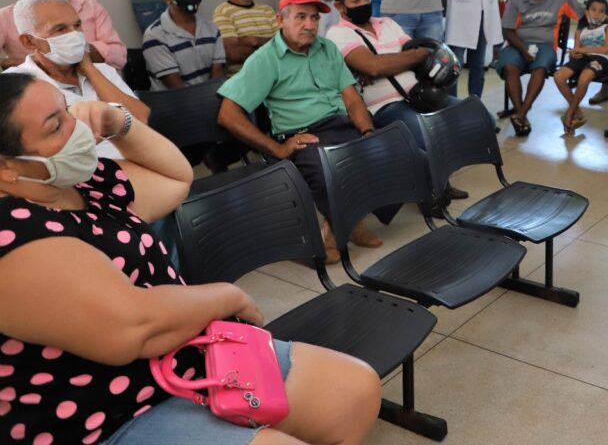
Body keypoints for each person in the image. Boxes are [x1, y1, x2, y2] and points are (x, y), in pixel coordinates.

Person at [0, 75, 381, 445]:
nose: (77, 129)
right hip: (108, 411)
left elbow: (176, 178)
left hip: (188, 351)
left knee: (353, 393)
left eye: (68, 111)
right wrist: (227, 297)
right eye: (56, 127)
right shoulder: (13, 231)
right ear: (6, 166)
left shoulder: (82, 184)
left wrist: (119, 122)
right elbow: (132, 329)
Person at [217, 0, 382, 254]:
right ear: (280, 20)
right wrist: (277, 148)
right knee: (330, 169)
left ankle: (349, 222)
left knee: (384, 150)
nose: (310, 25)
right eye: (301, 17)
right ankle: (341, 228)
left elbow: (352, 99)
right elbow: (227, 114)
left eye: (315, 18)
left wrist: (367, 133)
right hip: (305, 133)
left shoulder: (327, 48)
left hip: (341, 124)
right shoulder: (266, 59)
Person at [326, 0, 468, 201]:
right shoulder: (337, 34)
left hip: (420, 94)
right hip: (385, 106)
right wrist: (402, 59)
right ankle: (433, 193)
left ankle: (439, 175)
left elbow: (417, 53)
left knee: (473, 117)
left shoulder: (388, 24)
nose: (364, 3)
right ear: (339, 6)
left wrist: (398, 60)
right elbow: (374, 67)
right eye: (356, 0)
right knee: (427, 135)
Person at [4, 0, 150, 159]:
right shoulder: (15, 85)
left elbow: (140, 121)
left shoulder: (102, 71)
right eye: (60, 29)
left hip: (136, 164)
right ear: (29, 41)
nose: (74, 35)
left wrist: (90, 71)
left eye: (77, 25)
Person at [498, 0, 584, 136]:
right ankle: (521, 113)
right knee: (509, 67)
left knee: (540, 68)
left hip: (546, 46)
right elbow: (507, 31)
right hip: (517, 43)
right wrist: (523, 49)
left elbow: (585, 14)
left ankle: (521, 114)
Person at [142, 0, 225, 90]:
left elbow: (217, 74)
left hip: (210, 97)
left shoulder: (211, 28)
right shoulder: (155, 36)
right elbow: (176, 87)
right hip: (174, 100)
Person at [553, 0, 608, 136]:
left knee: (583, 79)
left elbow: (605, 49)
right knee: (559, 76)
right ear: (587, 12)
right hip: (582, 58)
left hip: (600, 59)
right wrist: (573, 54)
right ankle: (577, 111)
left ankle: (569, 113)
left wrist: (581, 50)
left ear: (605, 15)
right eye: (593, 10)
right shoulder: (580, 30)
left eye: (601, 11)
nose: (597, 14)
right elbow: (576, 49)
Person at [212, 0, 279, 75]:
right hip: (242, 80)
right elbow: (233, 54)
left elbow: (284, 45)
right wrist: (271, 45)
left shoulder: (267, 10)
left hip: (275, 76)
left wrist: (254, 40)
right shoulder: (222, 12)